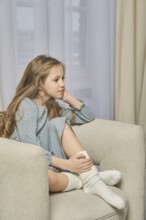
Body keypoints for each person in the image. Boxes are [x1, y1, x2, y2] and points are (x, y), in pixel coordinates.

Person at [0, 55, 125, 210]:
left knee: (59, 123)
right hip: (30, 167)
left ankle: (91, 180)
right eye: (56, 79)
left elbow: (87, 116)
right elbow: (31, 148)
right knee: (47, 178)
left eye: (63, 79)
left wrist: (67, 97)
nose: (62, 84)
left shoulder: (53, 108)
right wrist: (68, 164)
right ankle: (90, 180)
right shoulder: (27, 106)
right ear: (39, 84)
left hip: (50, 165)